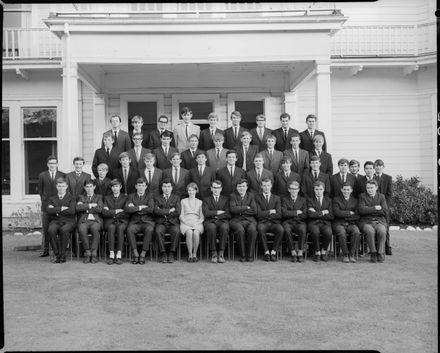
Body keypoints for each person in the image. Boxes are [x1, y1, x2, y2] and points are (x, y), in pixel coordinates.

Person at [37, 156, 65, 257]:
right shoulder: (42, 175)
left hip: (58, 206)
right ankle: (45, 250)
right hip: (46, 206)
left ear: (57, 164)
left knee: (58, 228)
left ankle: (60, 250)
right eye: (50, 163)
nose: (52, 165)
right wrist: (45, 200)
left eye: (54, 163)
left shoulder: (62, 175)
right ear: (47, 164)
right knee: (45, 229)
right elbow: (40, 190)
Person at [125, 178, 155, 264]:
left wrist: (134, 207)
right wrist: (141, 207)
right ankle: (135, 254)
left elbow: (151, 209)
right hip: (135, 221)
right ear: (136, 186)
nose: (141, 188)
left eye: (143, 186)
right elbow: (127, 209)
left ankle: (143, 254)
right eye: (139, 185)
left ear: (146, 187)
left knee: (149, 230)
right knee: (129, 230)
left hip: (147, 221)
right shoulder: (131, 196)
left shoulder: (150, 196)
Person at [358, 179, 389, 263]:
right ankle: (373, 253)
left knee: (382, 231)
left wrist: (368, 209)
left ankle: (380, 252)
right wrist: (375, 208)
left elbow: (384, 211)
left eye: (372, 188)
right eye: (368, 188)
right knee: (370, 231)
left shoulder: (381, 196)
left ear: (376, 188)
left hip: (379, 221)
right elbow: (361, 210)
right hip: (366, 221)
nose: (370, 190)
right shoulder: (362, 196)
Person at [46, 178, 76, 263]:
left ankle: (63, 255)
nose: (61, 188)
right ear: (56, 187)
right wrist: (62, 208)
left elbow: (72, 211)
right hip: (55, 221)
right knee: (51, 230)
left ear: (66, 187)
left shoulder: (72, 198)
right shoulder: (52, 198)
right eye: (59, 186)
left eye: (63, 186)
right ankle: (57, 255)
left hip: (69, 221)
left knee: (64, 230)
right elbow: (48, 210)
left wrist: (55, 210)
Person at [229, 179, 258, 262]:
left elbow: (254, 210)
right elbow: (233, 210)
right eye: (239, 186)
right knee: (240, 230)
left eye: (243, 186)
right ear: (236, 188)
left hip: (250, 220)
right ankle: (242, 255)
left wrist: (240, 210)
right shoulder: (232, 196)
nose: (241, 188)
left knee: (252, 230)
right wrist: (246, 207)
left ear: (247, 187)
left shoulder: (251, 196)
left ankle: (250, 254)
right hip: (236, 220)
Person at [255, 178, 284, 262]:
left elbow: (279, 214)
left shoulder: (277, 198)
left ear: (271, 186)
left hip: (274, 223)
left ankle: (274, 252)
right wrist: (270, 211)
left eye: (268, 185)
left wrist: (265, 214)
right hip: (262, 223)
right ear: (261, 186)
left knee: (281, 230)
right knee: (260, 229)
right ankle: (266, 252)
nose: (266, 188)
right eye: (264, 186)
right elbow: (258, 214)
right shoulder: (257, 198)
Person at [202, 180, 231, 263]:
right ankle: (214, 253)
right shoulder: (206, 199)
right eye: (214, 188)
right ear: (211, 188)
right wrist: (218, 212)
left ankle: (221, 253)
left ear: (221, 189)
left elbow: (228, 213)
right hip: (210, 221)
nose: (216, 190)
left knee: (225, 227)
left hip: (222, 221)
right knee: (211, 227)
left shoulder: (226, 199)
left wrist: (214, 214)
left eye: (218, 188)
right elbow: (206, 213)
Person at [154, 179, 181, 263]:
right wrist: (169, 211)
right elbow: (155, 211)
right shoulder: (157, 198)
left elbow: (178, 211)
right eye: (165, 186)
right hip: (161, 222)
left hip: (173, 222)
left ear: (172, 188)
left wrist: (162, 211)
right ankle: (163, 253)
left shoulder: (176, 198)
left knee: (176, 231)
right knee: (158, 231)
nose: (166, 188)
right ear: (162, 188)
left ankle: (172, 253)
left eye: (168, 186)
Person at [332, 183, 361, 263]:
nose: (346, 191)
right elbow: (337, 213)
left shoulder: (355, 200)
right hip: (339, 223)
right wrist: (349, 213)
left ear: (351, 190)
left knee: (357, 232)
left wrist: (344, 214)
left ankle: (351, 254)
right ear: (341, 190)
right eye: (344, 189)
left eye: (348, 189)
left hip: (351, 223)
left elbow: (357, 215)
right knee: (341, 233)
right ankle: (345, 254)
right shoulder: (336, 199)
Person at [76, 179, 103, 264]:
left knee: (95, 229)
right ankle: (88, 253)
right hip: (84, 221)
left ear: (94, 187)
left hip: (95, 221)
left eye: (91, 186)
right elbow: (78, 208)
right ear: (84, 188)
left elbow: (100, 209)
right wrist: (90, 205)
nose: (89, 188)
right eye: (87, 187)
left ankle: (94, 254)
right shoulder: (81, 197)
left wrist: (85, 208)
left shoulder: (99, 197)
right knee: (82, 229)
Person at [102, 179, 128, 265]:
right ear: (111, 188)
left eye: (117, 186)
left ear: (120, 187)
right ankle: (112, 254)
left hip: (122, 221)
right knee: (111, 227)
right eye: (113, 187)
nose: (115, 188)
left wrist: (111, 211)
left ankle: (119, 255)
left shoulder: (125, 197)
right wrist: (116, 211)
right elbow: (104, 212)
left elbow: (126, 212)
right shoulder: (107, 198)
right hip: (110, 221)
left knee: (120, 228)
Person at [307, 180, 334, 262]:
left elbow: (331, 216)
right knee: (315, 232)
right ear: (314, 190)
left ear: (324, 189)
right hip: (313, 223)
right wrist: (323, 212)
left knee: (329, 233)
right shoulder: (309, 200)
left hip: (325, 223)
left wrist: (316, 213)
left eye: (320, 189)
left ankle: (323, 251)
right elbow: (310, 215)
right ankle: (317, 252)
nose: (319, 191)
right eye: (317, 189)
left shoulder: (329, 200)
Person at [281, 181, 307, 262]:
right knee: (287, 230)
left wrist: (291, 213)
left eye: (295, 189)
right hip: (288, 222)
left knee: (303, 230)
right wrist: (297, 212)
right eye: (292, 189)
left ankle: (300, 252)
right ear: (289, 190)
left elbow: (305, 214)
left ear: (298, 190)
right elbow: (284, 213)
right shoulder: (284, 199)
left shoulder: (303, 200)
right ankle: (292, 252)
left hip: (300, 222)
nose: (293, 191)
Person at [179, 182, 205, 262]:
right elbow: (181, 215)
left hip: (197, 222)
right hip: (186, 221)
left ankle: (195, 254)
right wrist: (186, 222)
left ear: (196, 191)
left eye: (193, 190)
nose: (191, 192)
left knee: (196, 233)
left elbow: (202, 217)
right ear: (187, 191)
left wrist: (196, 223)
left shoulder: (200, 202)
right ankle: (190, 255)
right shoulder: (183, 201)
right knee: (189, 232)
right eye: (189, 190)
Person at [374, 159, 393, 255]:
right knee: (376, 226)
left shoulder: (388, 178)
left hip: (384, 206)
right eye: (376, 166)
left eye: (380, 166)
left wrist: (385, 206)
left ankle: (387, 246)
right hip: (374, 205)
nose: (378, 167)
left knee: (386, 227)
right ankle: (377, 247)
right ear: (374, 167)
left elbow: (389, 194)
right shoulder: (372, 177)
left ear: (383, 167)